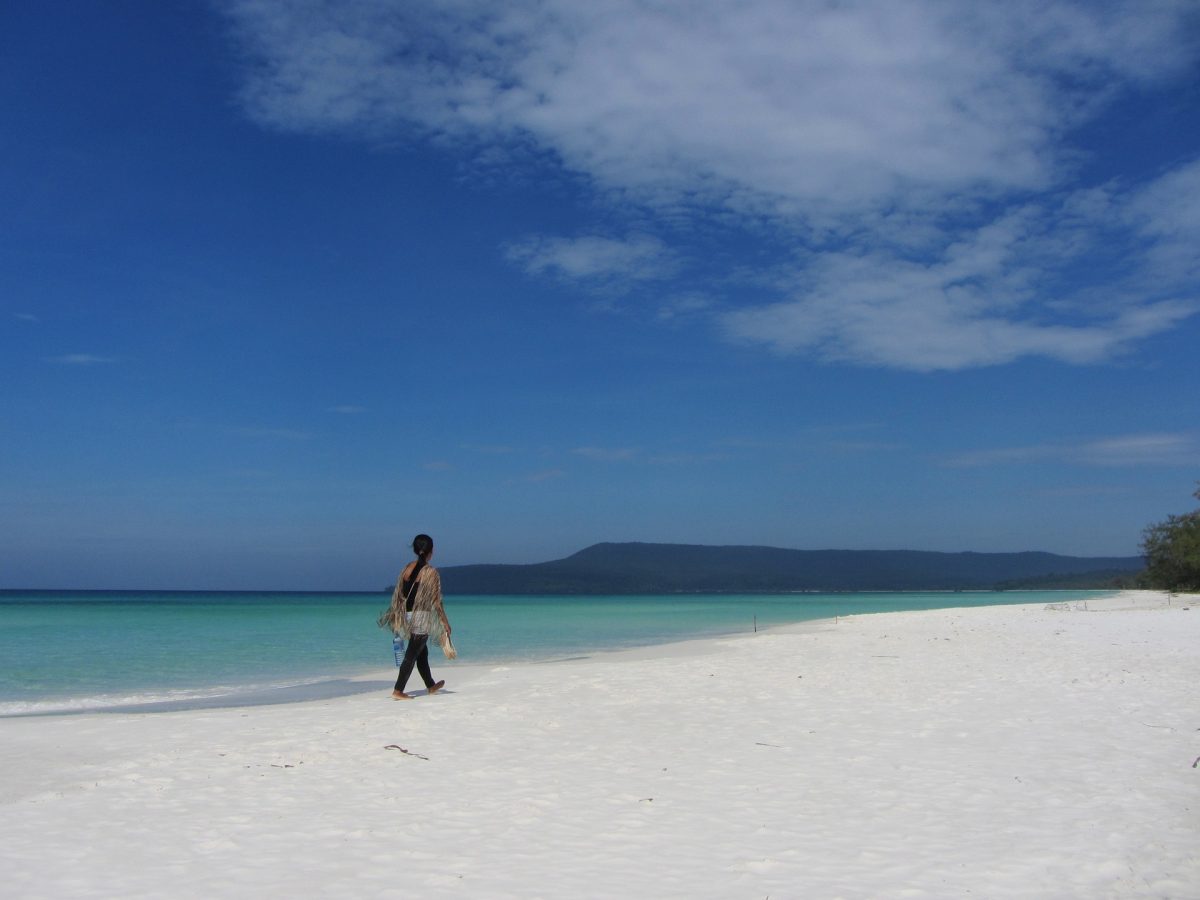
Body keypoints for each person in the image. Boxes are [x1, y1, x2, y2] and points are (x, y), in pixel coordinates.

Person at [378, 534, 452, 699]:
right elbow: (436, 602)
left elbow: (400, 594)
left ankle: (430, 685)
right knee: (412, 654)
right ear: (430, 551)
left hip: (408, 615)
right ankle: (398, 690)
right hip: (421, 616)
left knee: (421, 652)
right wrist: (445, 623)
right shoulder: (431, 573)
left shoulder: (407, 568)